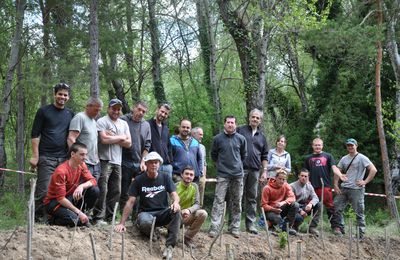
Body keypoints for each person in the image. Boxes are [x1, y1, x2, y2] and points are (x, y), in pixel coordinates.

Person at [115, 152, 181, 259]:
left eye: (156, 162)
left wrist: (176, 203)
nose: (153, 165)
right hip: (146, 213)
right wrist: (122, 223)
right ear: (146, 164)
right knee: (145, 221)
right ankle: (153, 234)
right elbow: (130, 202)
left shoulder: (165, 177)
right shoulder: (138, 180)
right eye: (151, 163)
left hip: (163, 212)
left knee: (176, 211)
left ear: (159, 164)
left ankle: (169, 246)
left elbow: (175, 195)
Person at [30, 83, 74, 221]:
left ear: (68, 97)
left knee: (60, 191)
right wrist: (35, 156)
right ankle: (37, 218)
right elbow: (35, 134)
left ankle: (52, 217)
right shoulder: (43, 111)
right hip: (46, 157)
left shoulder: (70, 114)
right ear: (54, 95)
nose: (62, 97)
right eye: (60, 94)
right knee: (43, 190)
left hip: (63, 158)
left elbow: (71, 136)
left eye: (65, 95)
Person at [92, 99, 131, 225]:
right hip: (104, 159)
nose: (116, 111)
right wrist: (121, 137)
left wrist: (112, 137)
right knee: (103, 188)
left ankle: (110, 217)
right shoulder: (102, 121)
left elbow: (129, 143)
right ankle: (98, 217)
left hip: (117, 161)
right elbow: (103, 140)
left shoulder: (123, 124)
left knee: (116, 190)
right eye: (114, 108)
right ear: (108, 108)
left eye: (118, 109)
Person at [43, 142, 99, 227]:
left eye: (86, 155)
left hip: (70, 198)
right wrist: (78, 213)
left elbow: (93, 180)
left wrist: (81, 186)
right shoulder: (61, 171)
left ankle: (81, 214)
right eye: (82, 155)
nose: (85, 158)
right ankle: (53, 219)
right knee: (77, 221)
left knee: (94, 190)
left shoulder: (82, 165)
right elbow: (61, 199)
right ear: (73, 154)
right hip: (55, 203)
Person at [209, 115, 247, 238]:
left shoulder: (241, 139)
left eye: (232, 122)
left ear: (236, 124)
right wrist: (221, 166)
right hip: (222, 174)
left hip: (237, 175)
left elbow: (243, 155)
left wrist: (236, 166)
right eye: (228, 122)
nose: (230, 124)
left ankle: (235, 227)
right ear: (224, 124)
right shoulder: (217, 139)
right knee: (218, 201)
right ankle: (215, 227)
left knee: (237, 201)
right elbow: (213, 155)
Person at [333, 138, 377, 238]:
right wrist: (335, 185)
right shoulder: (344, 158)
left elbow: (373, 170)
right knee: (336, 207)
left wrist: (365, 181)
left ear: (356, 146)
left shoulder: (362, 158)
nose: (350, 147)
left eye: (352, 145)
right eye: (348, 145)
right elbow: (337, 171)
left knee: (359, 212)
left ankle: (360, 235)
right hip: (344, 188)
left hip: (357, 189)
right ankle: (340, 229)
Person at [303, 137, 347, 233]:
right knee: (311, 206)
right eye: (316, 145)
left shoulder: (328, 156)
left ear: (322, 146)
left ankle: (336, 227)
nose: (317, 147)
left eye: (319, 145)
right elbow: (305, 172)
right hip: (312, 188)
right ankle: (310, 227)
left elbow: (334, 168)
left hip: (325, 186)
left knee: (330, 207)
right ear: (312, 146)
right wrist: (306, 181)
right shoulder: (308, 158)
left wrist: (340, 175)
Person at [237, 108, 269, 234]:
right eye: (253, 117)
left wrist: (264, 171)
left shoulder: (262, 137)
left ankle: (250, 225)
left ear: (260, 120)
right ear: (249, 118)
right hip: (240, 169)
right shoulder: (240, 130)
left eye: (257, 118)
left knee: (252, 198)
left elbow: (265, 156)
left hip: (255, 170)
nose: (255, 119)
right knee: (237, 196)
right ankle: (234, 224)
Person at [120, 101, 151, 213]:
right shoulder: (123, 120)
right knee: (124, 190)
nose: (141, 113)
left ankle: (136, 216)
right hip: (124, 160)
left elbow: (147, 145)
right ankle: (122, 216)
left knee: (140, 190)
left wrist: (144, 161)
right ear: (133, 108)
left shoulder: (146, 125)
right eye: (139, 109)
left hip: (139, 162)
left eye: (144, 111)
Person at [68, 97, 103, 180]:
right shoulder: (80, 117)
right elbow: (71, 139)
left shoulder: (94, 121)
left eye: (99, 110)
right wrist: (77, 160)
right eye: (96, 110)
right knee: (80, 190)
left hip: (95, 163)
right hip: (83, 162)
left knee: (93, 191)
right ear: (88, 106)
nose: (98, 113)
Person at [176, 166, 208, 247]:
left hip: (187, 216)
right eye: (186, 174)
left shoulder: (195, 186)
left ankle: (187, 238)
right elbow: (168, 205)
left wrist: (189, 210)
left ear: (193, 177)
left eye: (191, 175)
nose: (188, 176)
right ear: (181, 175)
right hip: (173, 218)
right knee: (173, 239)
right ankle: (168, 232)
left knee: (203, 213)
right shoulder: (174, 186)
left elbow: (197, 204)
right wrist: (179, 212)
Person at [261, 169, 298, 235]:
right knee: (277, 219)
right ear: (275, 178)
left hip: (280, 208)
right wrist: (273, 209)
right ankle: (272, 225)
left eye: (283, 179)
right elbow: (263, 205)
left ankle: (287, 228)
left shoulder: (286, 185)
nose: (281, 181)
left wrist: (283, 202)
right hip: (270, 210)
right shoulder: (267, 188)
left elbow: (292, 197)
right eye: (280, 179)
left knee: (295, 205)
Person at [290, 169, 320, 236]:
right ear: (298, 176)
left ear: (308, 177)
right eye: (302, 176)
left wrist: (310, 204)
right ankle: (293, 226)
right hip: (294, 208)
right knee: (299, 217)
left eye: (305, 176)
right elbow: (291, 201)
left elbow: (316, 197)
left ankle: (312, 227)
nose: (303, 178)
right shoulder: (292, 186)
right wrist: (300, 211)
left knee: (318, 205)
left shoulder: (309, 186)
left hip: (304, 206)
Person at [148, 103, 173, 177]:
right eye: (162, 111)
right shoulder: (147, 124)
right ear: (157, 110)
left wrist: (170, 161)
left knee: (167, 188)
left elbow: (169, 146)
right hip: (153, 164)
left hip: (166, 165)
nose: (163, 114)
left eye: (166, 113)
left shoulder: (166, 128)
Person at [191, 127, 207, 207]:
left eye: (202, 134)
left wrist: (204, 176)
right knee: (191, 196)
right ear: (193, 134)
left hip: (201, 176)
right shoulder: (189, 145)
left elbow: (204, 163)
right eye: (200, 134)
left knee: (200, 198)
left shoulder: (202, 147)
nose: (202, 136)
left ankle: (200, 213)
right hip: (191, 175)